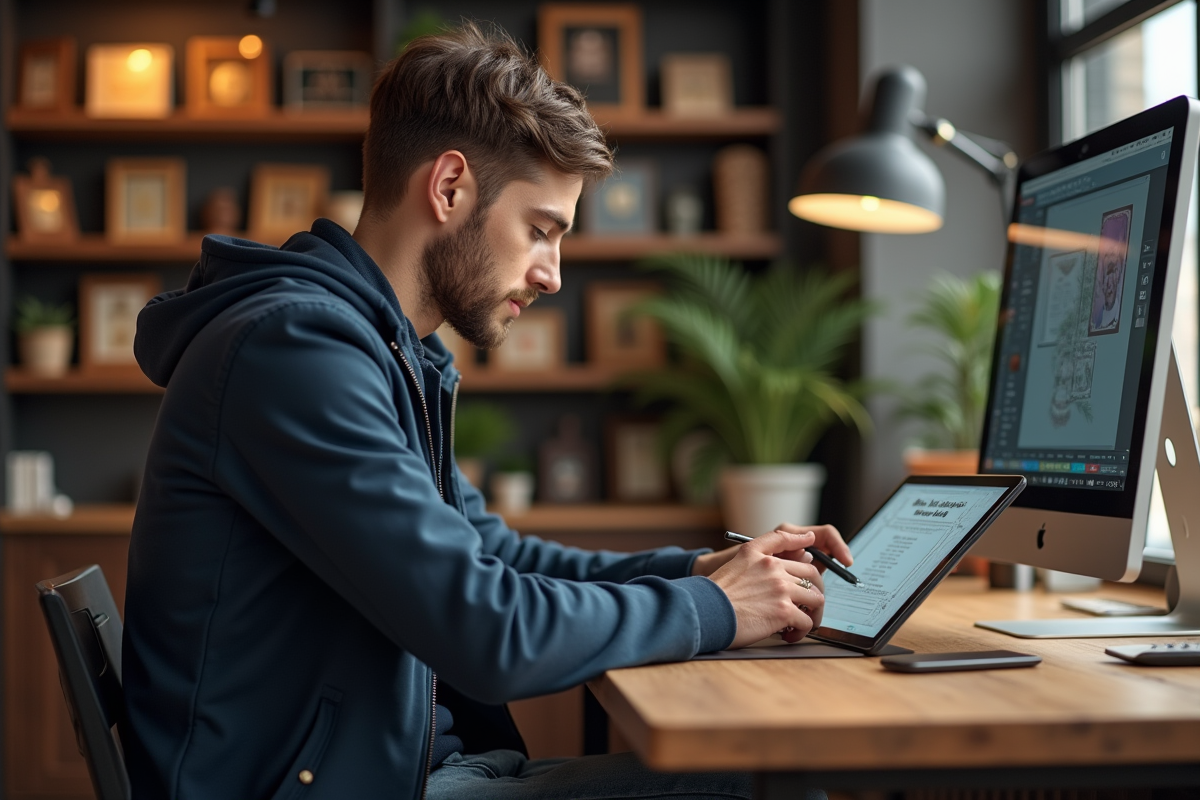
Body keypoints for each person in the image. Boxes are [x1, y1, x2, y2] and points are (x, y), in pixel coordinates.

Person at [121, 22, 849, 800]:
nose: (552, 274)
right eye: (539, 231)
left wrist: (698, 571)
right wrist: (715, 608)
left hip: (407, 769)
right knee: (767, 789)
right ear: (448, 188)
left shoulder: (384, 351)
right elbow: (487, 631)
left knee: (758, 778)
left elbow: (491, 557)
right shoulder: (293, 351)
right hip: (343, 786)